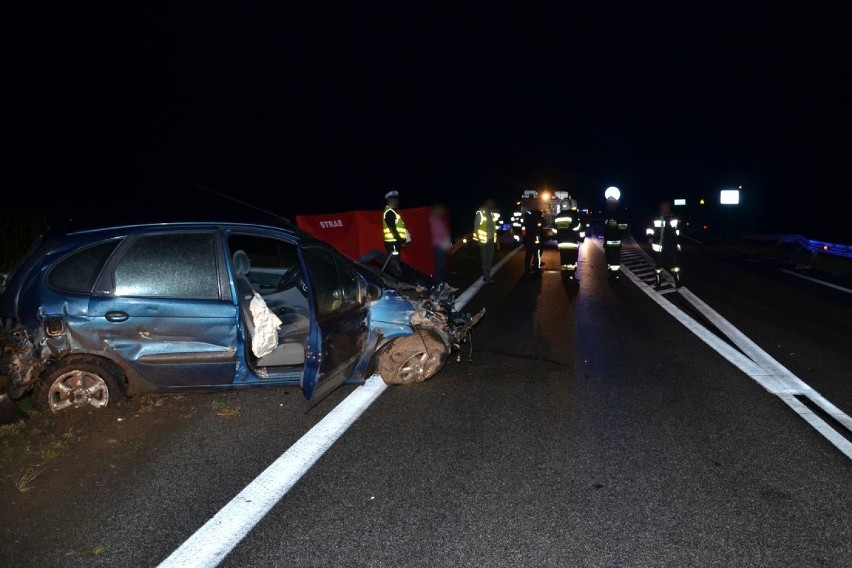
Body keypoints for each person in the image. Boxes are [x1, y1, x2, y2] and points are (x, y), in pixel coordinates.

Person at [646, 200, 682, 288]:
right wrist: (650, 237)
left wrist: (677, 241)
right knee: (659, 265)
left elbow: (678, 230)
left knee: (675, 264)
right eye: (663, 208)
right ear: (661, 209)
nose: (665, 209)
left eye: (667, 207)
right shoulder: (655, 218)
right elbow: (650, 229)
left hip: (671, 245)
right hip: (659, 246)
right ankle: (658, 280)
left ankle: (677, 280)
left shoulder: (674, 218)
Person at [554, 198, 582, 280]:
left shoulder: (557, 216)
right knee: (571, 260)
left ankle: (564, 275)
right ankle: (571, 276)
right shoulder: (572, 215)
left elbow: (554, 230)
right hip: (571, 242)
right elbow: (577, 228)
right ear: (569, 206)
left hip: (561, 243)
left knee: (564, 260)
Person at [382, 190, 409, 276]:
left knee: (395, 263)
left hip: (394, 242)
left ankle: (396, 281)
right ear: (390, 201)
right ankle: (395, 283)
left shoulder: (393, 212)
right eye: (395, 200)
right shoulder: (389, 213)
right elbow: (393, 229)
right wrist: (401, 241)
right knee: (394, 265)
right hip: (392, 243)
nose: (397, 202)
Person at [473, 199, 499, 282]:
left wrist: (497, 241)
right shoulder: (480, 213)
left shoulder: (491, 214)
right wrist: (479, 241)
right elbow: (476, 228)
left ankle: (487, 276)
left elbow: (494, 229)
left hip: (491, 240)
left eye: (492, 204)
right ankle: (486, 277)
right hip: (483, 241)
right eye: (490, 203)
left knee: (490, 259)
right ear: (486, 204)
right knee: (485, 259)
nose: (491, 205)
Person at [603, 195, 629, 278]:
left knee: (614, 259)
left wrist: (616, 228)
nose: (609, 205)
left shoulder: (618, 214)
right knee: (609, 259)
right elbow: (606, 227)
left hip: (615, 241)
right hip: (608, 242)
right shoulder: (608, 214)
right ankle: (612, 273)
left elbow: (623, 227)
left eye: (611, 203)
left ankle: (615, 275)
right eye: (608, 203)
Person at [429, 204, 452, 282]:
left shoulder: (438, 220)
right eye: (440, 210)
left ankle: (440, 283)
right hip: (438, 246)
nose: (442, 212)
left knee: (441, 266)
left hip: (441, 246)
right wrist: (445, 243)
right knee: (440, 266)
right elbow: (436, 234)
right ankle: (438, 284)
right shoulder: (433, 220)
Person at [522, 206, 543, 273]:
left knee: (528, 254)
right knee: (536, 254)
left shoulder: (527, 216)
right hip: (534, 238)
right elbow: (538, 228)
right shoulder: (535, 218)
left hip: (528, 238)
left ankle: (527, 268)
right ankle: (536, 267)